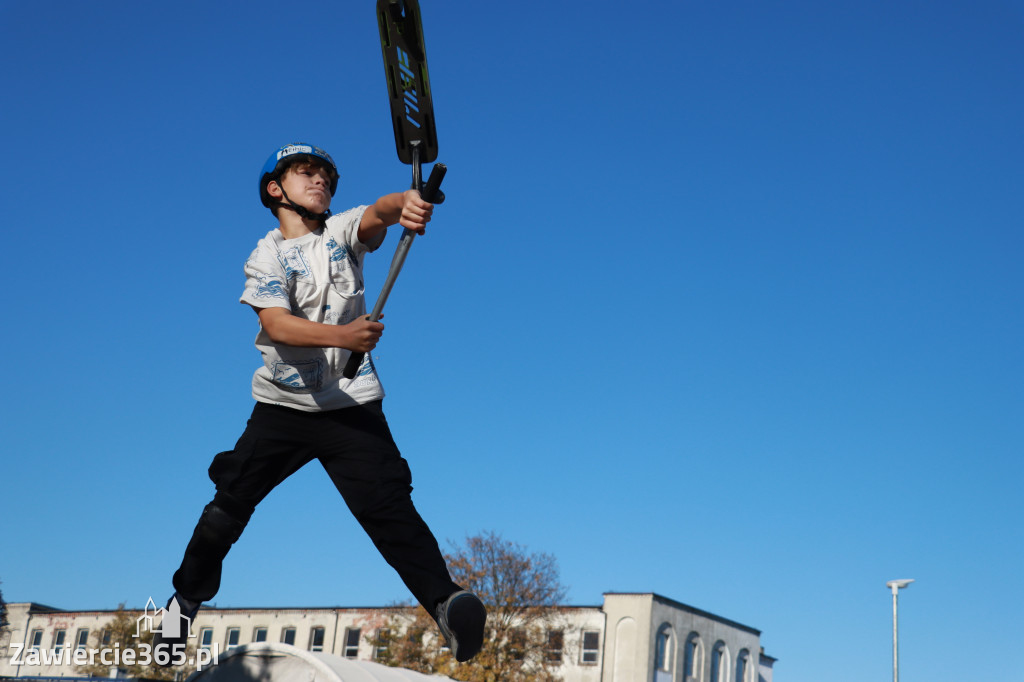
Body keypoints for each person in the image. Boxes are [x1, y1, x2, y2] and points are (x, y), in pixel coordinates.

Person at [154, 143, 485, 664]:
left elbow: (378, 212)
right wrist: (342, 336)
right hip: (283, 408)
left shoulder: (341, 233)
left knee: (388, 506)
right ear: (275, 188)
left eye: (327, 177)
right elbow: (275, 325)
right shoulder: (266, 255)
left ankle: (448, 603)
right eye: (305, 173)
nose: (320, 182)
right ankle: (182, 606)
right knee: (227, 508)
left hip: (351, 405)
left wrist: (408, 201)